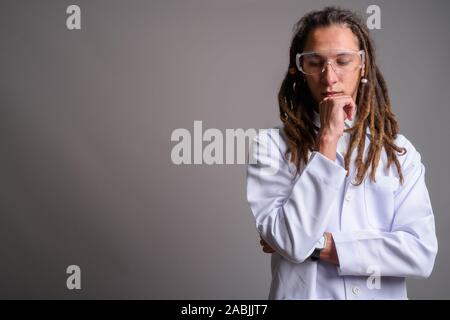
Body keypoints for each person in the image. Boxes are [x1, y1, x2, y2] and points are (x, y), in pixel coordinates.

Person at [246, 6, 438, 300]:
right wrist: (327, 139)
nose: (329, 77)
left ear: (363, 65)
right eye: (315, 62)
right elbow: (293, 241)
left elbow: (420, 253)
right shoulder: (271, 146)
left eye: (343, 61)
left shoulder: (399, 152)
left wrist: (322, 245)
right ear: (299, 69)